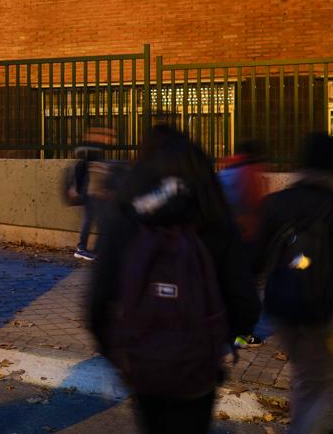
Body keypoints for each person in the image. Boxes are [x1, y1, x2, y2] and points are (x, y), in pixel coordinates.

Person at [89, 125, 260, 434]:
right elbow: (246, 306)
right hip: (199, 370)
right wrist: (230, 343)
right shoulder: (217, 223)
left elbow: (96, 303)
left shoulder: (126, 222)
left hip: (141, 366)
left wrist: (116, 354)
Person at [257, 133, 333, 434]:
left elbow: (253, 259)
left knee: (305, 376)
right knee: (320, 386)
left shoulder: (275, 203)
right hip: (320, 308)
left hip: (280, 307)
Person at [218, 140, 270, 347]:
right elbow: (254, 205)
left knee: (233, 287)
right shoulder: (248, 172)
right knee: (245, 291)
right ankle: (242, 334)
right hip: (246, 239)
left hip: (226, 238)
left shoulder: (225, 172)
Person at [64, 126, 118, 261]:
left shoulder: (95, 150)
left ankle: (88, 248)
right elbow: (83, 166)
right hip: (90, 191)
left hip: (93, 191)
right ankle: (83, 248)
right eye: (109, 136)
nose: (111, 139)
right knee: (93, 220)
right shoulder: (92, 149)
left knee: (94, 219)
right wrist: (75, 188)